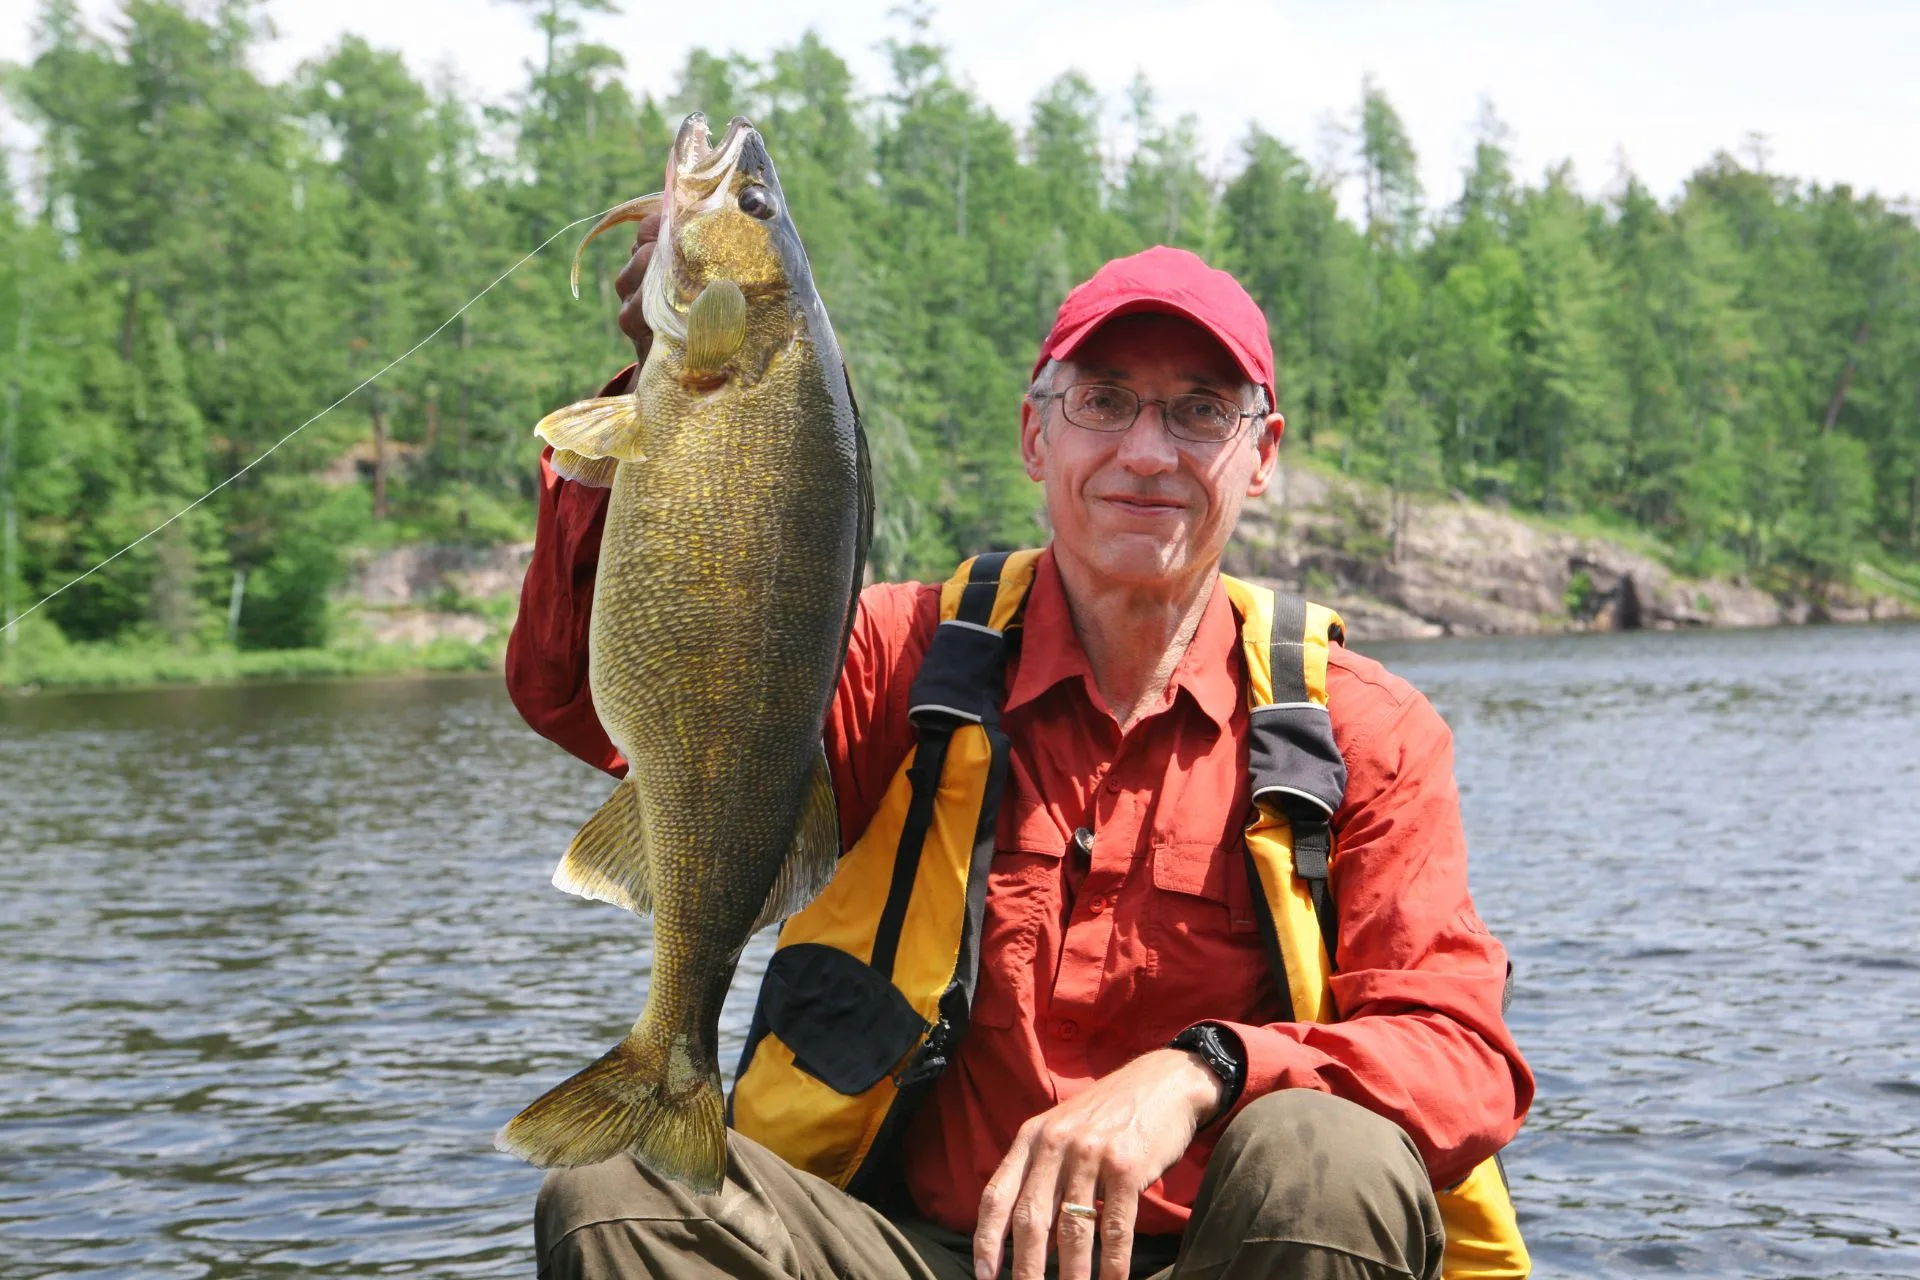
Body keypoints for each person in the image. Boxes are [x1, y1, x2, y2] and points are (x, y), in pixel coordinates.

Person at [505, 221, 1534, 1280]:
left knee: (1332, 1152)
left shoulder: (1366, 727)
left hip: (1223, 1256)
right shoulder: (897, 655)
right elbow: (578, 699)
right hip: (912, 1250)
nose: (1147, 450)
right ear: (1037, 437)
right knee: (618, 1190)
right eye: (1103, 401)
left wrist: (1205, 1069)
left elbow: (1459, 1054)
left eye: (1199, 412)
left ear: (1260, 457)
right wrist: (669, 394)